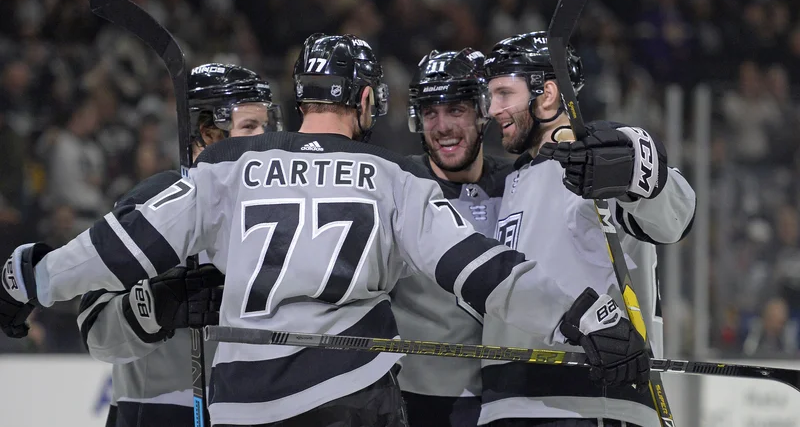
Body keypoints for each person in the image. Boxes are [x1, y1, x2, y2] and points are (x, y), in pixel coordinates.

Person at [0, 33, 649, 427]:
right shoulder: (392, 177)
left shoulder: (227, 168)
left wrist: (32, 278)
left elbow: (118, 249)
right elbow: (486, 275)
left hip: (237, 407)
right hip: (345, 399)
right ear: (366, 100)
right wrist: (591, 319)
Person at [482, 31, 697, 426]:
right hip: (507, 403)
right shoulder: (513, 181)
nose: (492, 109)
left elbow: (676, 219)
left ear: (546, 94)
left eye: (503, 93)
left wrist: (635, 167)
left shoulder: (598, 162)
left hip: (591, 402)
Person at [78, 63, 283, 427]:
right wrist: (157, 308)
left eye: (267, 126)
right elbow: (96, 333)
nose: (265, 140)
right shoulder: (150, 208)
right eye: (250, 127)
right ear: (207, 133)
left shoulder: (282, 213)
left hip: (255, 412)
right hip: (158, 411)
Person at [392, 47, 512, 427]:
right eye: (430, 113)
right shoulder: (395, 186)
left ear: (481, 113)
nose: (442, 126)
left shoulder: (522, 182)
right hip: (422, 401)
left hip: (514, 396)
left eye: (456, 110)